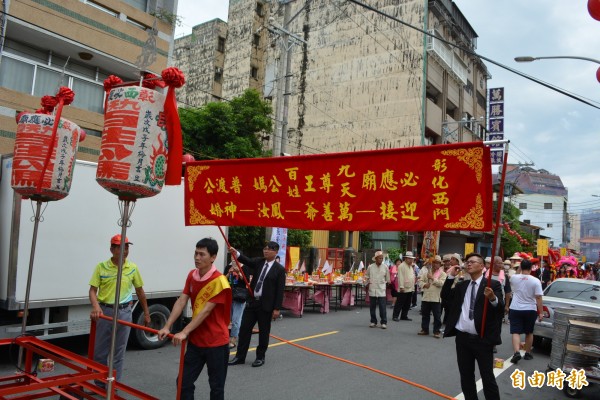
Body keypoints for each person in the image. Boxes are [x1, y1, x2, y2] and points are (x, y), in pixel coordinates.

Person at [157, 238, 231, 400]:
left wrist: (184, 331)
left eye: (202, 254)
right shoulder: (192, 275)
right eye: (195, 253)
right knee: (183, 382)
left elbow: (205, 311)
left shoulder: (220, 282)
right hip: (197, 341)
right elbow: (182, 300)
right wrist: (167, 326)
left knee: (216, 388)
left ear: (213, 257)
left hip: (216, 342)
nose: (197, 257)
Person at [441, 252, 504, 400]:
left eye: (473, 261)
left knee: (487, 377)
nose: (468, 263)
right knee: (466, 376)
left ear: (482, 266)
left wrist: (492, 298)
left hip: (482, 339)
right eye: (467, 261)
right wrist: (450, 277)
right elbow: (445, 296)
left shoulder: (492, 285)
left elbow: (500, 308)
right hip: (463, 339)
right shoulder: (463, 285)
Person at [89, 234, 150, 385]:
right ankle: (100, 385)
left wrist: (146, 313)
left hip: (124, 312)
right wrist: (96, 306)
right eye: (120, 247)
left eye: (127, 247)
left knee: (119, 352)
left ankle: (113, 385)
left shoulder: (132, 268)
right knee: (100, 352)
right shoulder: (101, 267)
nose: (125, 250)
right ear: (112, 249)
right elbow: (92, 291)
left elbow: (140, 291)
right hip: (105, 312)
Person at [228, 241, 286, 367]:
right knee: (244, 329)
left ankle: (260, 357)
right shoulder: (259, 262)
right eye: (264, 249)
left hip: (266, 305)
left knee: (264, 332)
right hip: (252, 302)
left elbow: (280, 291)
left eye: (269, 249)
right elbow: (246, 260)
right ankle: (240, 356)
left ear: (275, 252)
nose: (266, 251)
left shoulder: (280, 270)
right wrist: (236, 253)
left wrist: (277, 308)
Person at [508, 259, 543, 364]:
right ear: (532, 268)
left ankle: (516, 352)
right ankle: (527, 353)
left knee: (515, 331)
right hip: (530, 309)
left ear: (520, 267)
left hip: (515, 308)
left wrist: (519, 269)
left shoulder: (514, 278)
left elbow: (516, 275)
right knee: (529, 332)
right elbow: (538, 298)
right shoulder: (535, 280)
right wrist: (540, 312)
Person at [417, 255, 446, 338]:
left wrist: (432, 278)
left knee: (437, 316)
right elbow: (420, 281)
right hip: (426, 296)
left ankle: (436, 331)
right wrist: (424, 285)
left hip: (436, 298)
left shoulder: (443, 274)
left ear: (440, 264)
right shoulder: (427, 273)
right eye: (434, 263)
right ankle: (425, 329)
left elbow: (441, 283)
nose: (435, 265)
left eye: (437, 263)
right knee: (425, 314)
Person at [225, 262, 251, 349]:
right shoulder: (228, 267)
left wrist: (239, 273)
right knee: (227, 320)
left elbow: (247, 281)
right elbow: (223, 280)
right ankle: (226, 339)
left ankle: (233, 340)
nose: (233, 261)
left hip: (239, 297)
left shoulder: (245, 268)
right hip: (229, 296)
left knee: (236, 320)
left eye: (235, 258)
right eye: (232, 259)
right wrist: (229, 273)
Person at [365, 250, 391, 328]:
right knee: (372, 307)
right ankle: (373, 321)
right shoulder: (370, 267)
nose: (381, 260)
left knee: (382, 307)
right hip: (372, 289)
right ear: (376, 259)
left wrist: (388, 283)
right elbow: (366, 276)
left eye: (382, 258)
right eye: (379, 258)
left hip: (381, 289)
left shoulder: (385, 267)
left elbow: (388, 279)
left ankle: (384, 322)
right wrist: (366, 283)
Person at [392, 251, 416, 321]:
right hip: (403, 288)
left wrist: (413, 287)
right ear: (405, 258)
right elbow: (400, 277)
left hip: (410, 287)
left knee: (407, 304)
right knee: (399, 303)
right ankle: (395, 316)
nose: (411, 260)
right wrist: (401, 286)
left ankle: (404, 316)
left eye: (411, 259)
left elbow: (412, 276)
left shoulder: (410, 266)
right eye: (409, 258)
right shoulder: (401, 266)